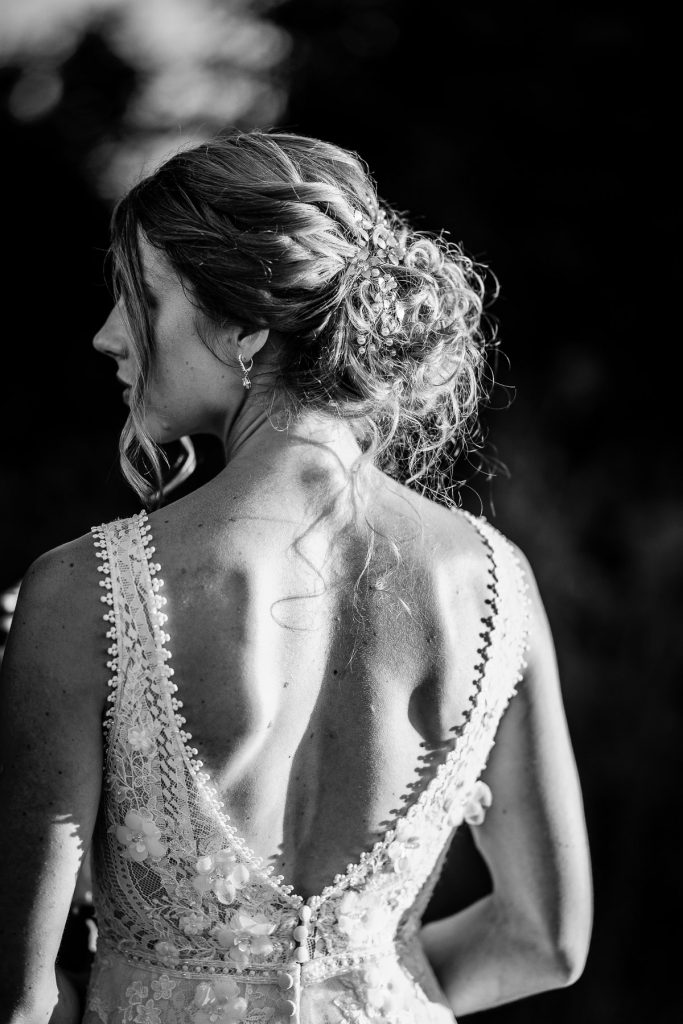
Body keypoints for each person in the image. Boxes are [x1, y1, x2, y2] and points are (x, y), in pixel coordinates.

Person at [0, 129, 592, 1024]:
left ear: (243, 326)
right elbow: (544, 942)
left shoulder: (83, 593)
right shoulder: (495, 582)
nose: (106, 335)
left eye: (139, 297)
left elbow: (15, 1002)